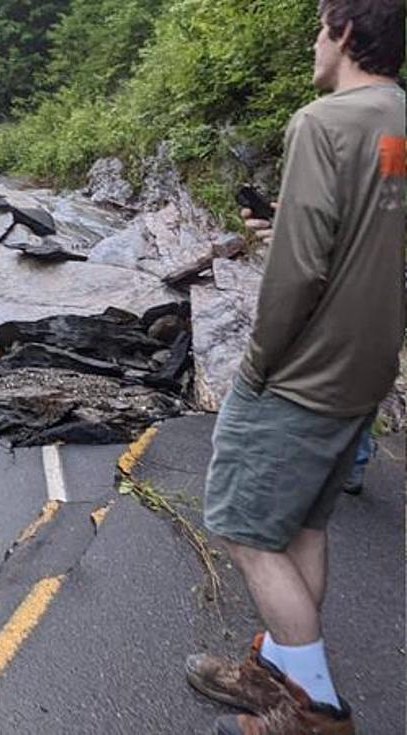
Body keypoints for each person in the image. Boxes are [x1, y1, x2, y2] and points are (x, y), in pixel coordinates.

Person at [184, 1, 405, 733]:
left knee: (243, 527)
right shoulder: (396, 115)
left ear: (344, 32)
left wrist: (254, 365)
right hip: (367, 367)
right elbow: (366, 231)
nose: (315, 44)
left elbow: (302, 271)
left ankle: (314, 710)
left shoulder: (325, 122)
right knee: (301, 525)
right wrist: (288, 221)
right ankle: (279, 668)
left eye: (319, 29)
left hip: (303, 371)